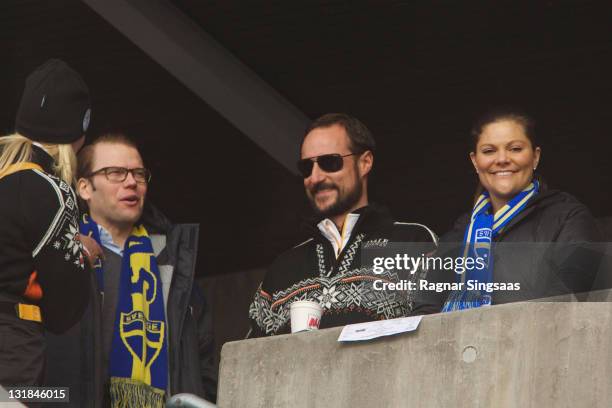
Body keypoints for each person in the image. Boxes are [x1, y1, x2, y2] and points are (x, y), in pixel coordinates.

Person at [46, 133, 216, 407]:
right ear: (85, 188)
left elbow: (204, 362)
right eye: (116, 172)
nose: (131, 182)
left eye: (138, 174)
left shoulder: (172, 265)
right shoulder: (58, 254)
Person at [248, 113, 438, 337]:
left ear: (365, 162)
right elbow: (251, 361)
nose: (315, 177)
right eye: (306, 167)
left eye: (330, 162)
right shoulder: (282, 269)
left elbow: (434, 339)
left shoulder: (412, 241)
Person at [416, 108, 601, 313]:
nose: (502, 159)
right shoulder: (458, 234)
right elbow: (425, 311)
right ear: (475, 161)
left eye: (515, 148)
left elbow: (568, 301)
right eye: (489, 151)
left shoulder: (569, 219)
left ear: (535, 157)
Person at [0, 59, 93, 386]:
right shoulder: (50, 191)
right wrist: (85, 256)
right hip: (12, 355)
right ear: (77, 133)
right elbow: (64, 309)